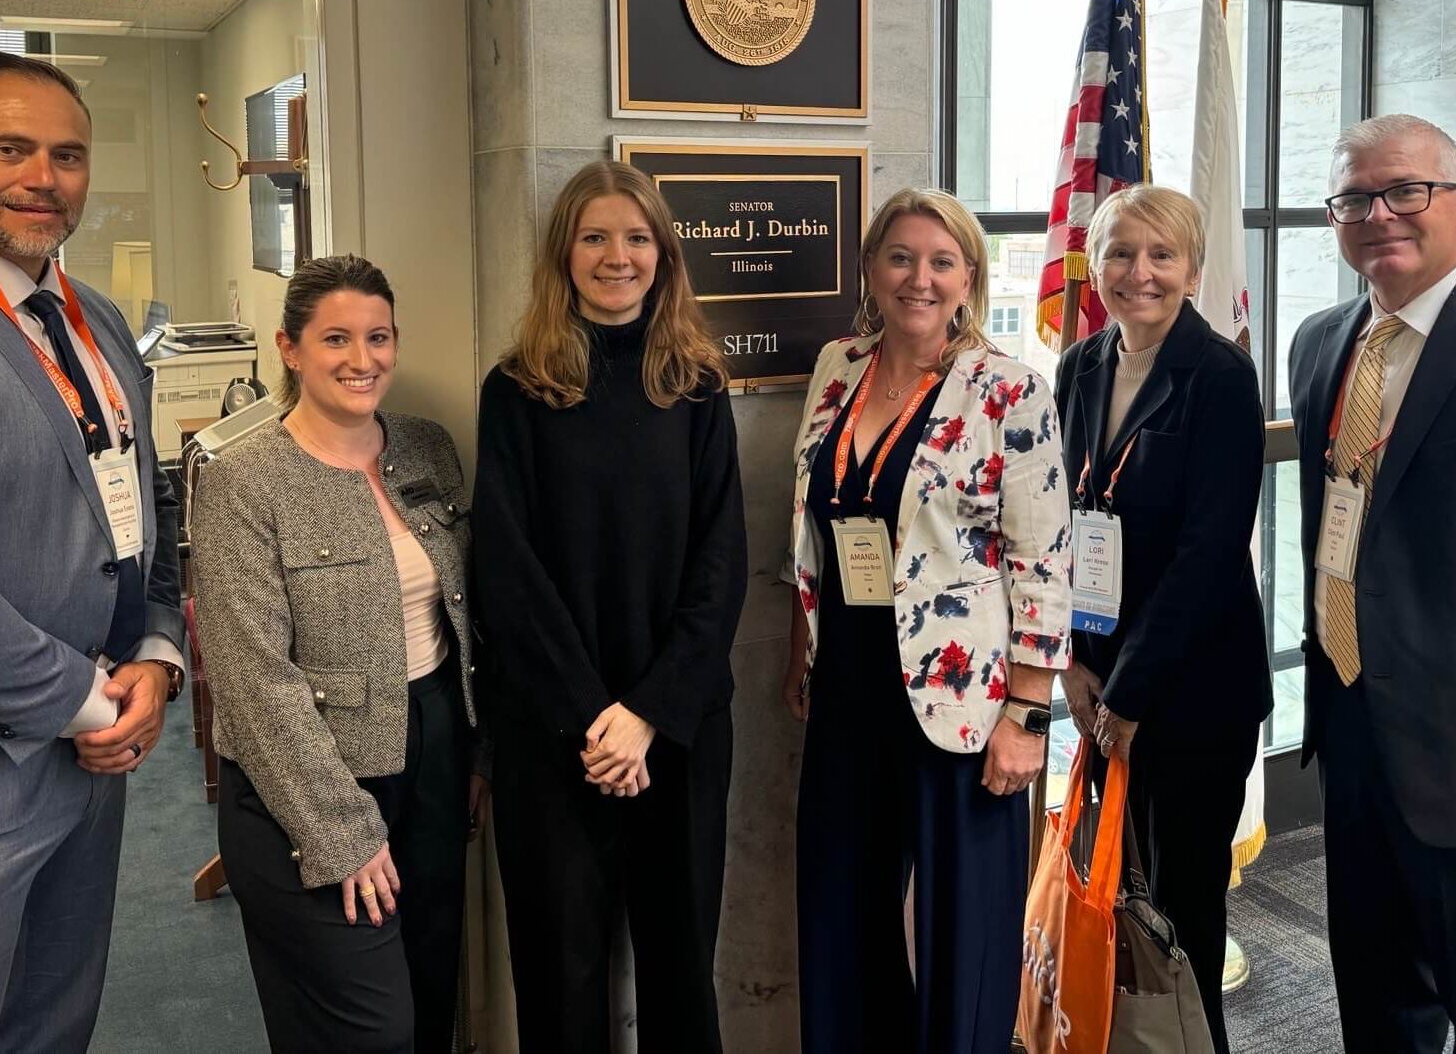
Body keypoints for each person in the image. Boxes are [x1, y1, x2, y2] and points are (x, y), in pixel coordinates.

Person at [781, 187, 1072, 1054]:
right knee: (842, 908)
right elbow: (812, 522)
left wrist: (1027, 714)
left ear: (969, 278)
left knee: (964, 931)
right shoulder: (839, 366)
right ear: (872, 269)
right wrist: (801, 646)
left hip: (964, 698)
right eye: (901, 257)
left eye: (942, 261)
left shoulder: (1009, 391)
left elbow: (1043, 560)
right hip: (845, 684)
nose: (920, 278)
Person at [473, 159, 747, 1053]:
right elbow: (506, 574)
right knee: (561, 976)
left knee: (680, 973)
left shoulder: (697, 386)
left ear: (663, 255)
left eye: (636, 238)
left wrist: (649, 717)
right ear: (565, 254)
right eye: (595, 237)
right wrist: (598, 721)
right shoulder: (515, 389)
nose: (616, 256)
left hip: (678, 730)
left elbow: (722, 567)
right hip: (554, 736)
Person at [191, 254, 489, 1053]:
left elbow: (469, 616)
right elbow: (255, 684)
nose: (363, 360)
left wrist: (477, 750)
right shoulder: (242, 482)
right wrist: (341, 832)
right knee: (367, 1030)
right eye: (336, 340)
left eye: (378, 337)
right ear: (290, 349)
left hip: (431, 757)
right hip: (307, 779)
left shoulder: (428, 449)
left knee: (431, 1001)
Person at [1289, 114, 1456, 1053]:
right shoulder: (1321, 341)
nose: (1378, 214)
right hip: (1351, 725)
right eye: (1353, 199)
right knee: (1376, 1008)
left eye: (1403, 191)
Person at [1053, 184, 1270, 1054]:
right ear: (1094, 264)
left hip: (1191, 694)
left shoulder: (1218, 375)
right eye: (1119, 254)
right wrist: (1073, 662)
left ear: (1192, 268)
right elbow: (1065, 523)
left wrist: (1129, 697)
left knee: (1181, 915)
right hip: (1099, 682)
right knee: (1120, 904)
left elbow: (1208, 553)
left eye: (1161, 256)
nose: (1138, 273)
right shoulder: (1081, 365)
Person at [0, 54, 185, 1051]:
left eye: (66, 154)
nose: (42, 176)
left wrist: (155, 655)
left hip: (105, 743)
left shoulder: (101, 322)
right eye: (10, 148)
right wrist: (84, 700)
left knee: (58, 1011)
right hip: (23, 735)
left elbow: (144, 501)